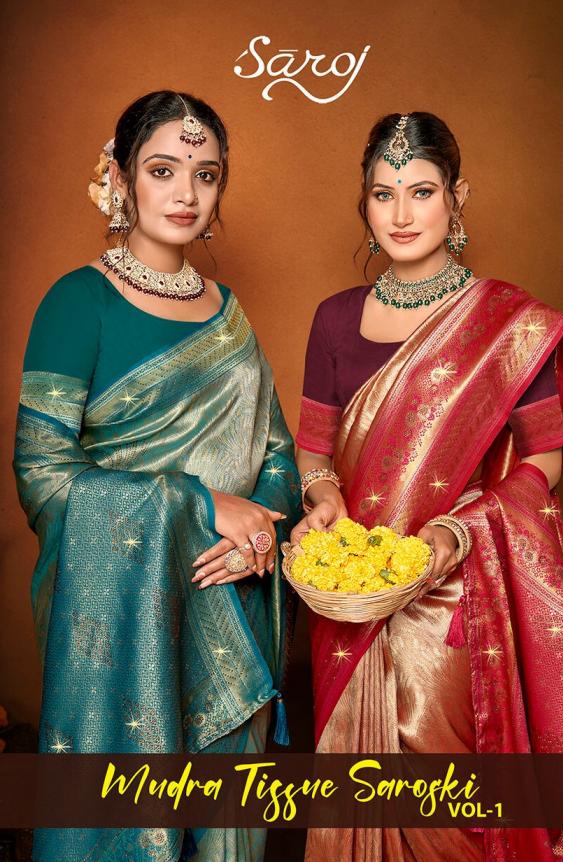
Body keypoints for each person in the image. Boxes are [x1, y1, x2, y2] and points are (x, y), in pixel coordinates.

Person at [292, 112, 563, 861]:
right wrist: (324, 498)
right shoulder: (334, 320)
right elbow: (314, 449)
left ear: (456, 196)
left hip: (456, 592)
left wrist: (457, 532)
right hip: (349, 592)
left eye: (422, 191)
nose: (401, 214)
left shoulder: (508, 324)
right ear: (365, 203)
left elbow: (544, 458)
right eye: (383, 194)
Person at [14, 90, 299, 862]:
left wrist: (255, 533)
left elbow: (277, 454)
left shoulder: (229, 314)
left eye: (205, 175)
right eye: (163, 170)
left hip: (230, 604)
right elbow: (43, 473)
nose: (185, 194)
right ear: (120, 179)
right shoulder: (77, 303)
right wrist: (199, 505)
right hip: (126, 618)